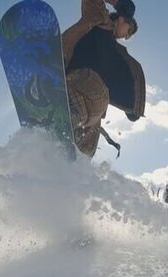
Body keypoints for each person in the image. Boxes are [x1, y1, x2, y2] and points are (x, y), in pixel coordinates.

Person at [62, 0, 145, 158]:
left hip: (89, 105)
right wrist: (121, 3)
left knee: (93, 132)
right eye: (129, 31)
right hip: (74, 78)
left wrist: (132, 106)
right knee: (100, 93)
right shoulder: (100, 20)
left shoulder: (116, 54)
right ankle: (66, 116)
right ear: (122, 19)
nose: (126, 37)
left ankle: (74, 167)